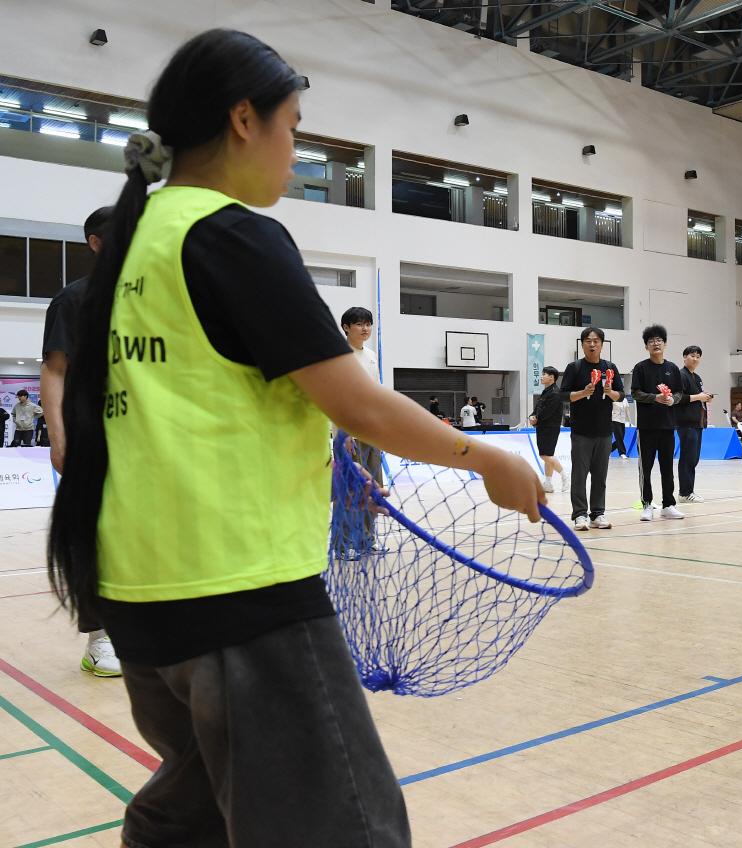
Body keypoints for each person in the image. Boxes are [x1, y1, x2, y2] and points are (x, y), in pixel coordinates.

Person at [45, 29, 544, 845]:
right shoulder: (228, 234)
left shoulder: (135, 246)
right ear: (245, 119)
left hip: (140, 600)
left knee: (196, 817)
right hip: (241, 597)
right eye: (294, 126)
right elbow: (362, 405)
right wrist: (488, 456)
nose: (296, 148)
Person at [39, 205, 121, 677]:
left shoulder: (154, 297)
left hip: (147, 439)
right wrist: (59, 435)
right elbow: (55, 370)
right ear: (96, 244)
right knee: (95, 536)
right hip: (92, 439)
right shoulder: (74, 300)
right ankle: (99, 638)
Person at [561, 326, 624, 531]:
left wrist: (610, 391)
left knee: (600, 476)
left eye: (596, 340)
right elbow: (563, 396)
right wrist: (583, 392)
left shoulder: (610, 367)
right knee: (579, 476)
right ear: (582, 344)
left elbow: (621, 395)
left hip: (605, 430)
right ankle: (580, 515)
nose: (592, 344)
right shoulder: (575, 367)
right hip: (581, 431)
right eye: (588, 340)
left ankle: (598, 514)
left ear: (602, 345)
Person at [630, 325, 686, 521]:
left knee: (667, 469)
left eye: (659, 340)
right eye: (651, 341)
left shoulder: (672, 369)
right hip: (646, 427)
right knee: (645, 469)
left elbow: (679, 392)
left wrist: (673, 400)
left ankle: (668, 505)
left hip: (668, 426)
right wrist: (655, 398)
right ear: (646, 346)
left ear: (665, 344)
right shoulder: (640, 368)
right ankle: (647, 504)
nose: (655, 344)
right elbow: (635, 393)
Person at [340, 307, 384, 485]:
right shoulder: (339, 354)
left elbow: (377, 392)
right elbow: (337, 397)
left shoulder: (371, 355)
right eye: (359, 324)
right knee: (352, 490)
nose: (365, 328)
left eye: (368, 324)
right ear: (346, 327)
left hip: (372, 431)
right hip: (350, 434)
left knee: (374, 489)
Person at [676, 345, 713, 503]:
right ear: (684, 357)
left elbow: (699, 396)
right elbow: (679, 398)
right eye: (692, 356)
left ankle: (688, 490)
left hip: (698, 423)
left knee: (693, 458)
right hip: (686, 423)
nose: (695, 359)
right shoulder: (681, 375)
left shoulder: (697, 377)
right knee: (688, 458)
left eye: (698, 356)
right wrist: (698, 397)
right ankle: (685, 492)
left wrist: (706, 397)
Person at [529, 365, 567, 493]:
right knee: (548, 455)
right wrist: (532, 416)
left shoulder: (556, 392)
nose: (541, 376)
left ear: (551, 377)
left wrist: (537, 418)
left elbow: (548, 411)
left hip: (550, 426)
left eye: (544, 374)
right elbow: (538, 407)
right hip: (543, 426)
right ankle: (548, 484)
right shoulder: (546, 391)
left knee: (545, 455)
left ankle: (565, 477)